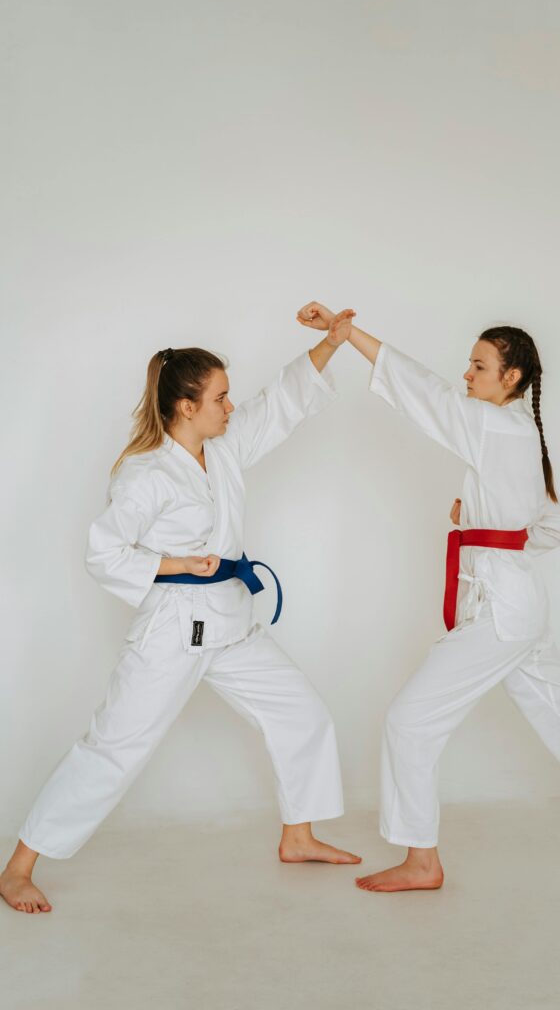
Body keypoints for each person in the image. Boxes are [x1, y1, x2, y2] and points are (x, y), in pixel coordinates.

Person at [297, 301, 560, 894]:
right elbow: (550, 527)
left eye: (478, 366)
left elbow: (424, 393)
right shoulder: (521, 434)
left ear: (511, 377)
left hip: (500, 606)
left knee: (409, 721)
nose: (466, 375)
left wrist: (350, 336)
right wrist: (482, 523)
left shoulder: (495, 425)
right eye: (469, 365)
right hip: (518, 598)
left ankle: (422, 861)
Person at [0, 316, 360, 915]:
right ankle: (18, 868)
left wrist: (331, 342)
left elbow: (279, 405)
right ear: (186, 407)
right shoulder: (145, 474)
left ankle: (298, 836)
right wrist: (174, 563)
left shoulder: (222, 449)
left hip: (232, 623)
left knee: (302, 713)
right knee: (113, 748)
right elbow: (103, 552)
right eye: (220, 398)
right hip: (173, 631)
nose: (230, 406)